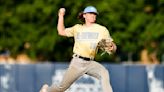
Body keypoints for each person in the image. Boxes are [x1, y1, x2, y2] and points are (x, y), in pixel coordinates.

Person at [40, 6, 117, 92]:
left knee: (104, 73)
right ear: (84, 15)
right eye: (91, 13)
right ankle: (46, 90)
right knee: (61, 87)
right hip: (77, 62)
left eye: (95, 14)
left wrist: (112, 47)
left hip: (90, 63)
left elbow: (112, 46)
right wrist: (61, 16)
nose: (93, 15)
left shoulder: (102, 30)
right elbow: (61, 31)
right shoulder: (77, 28)